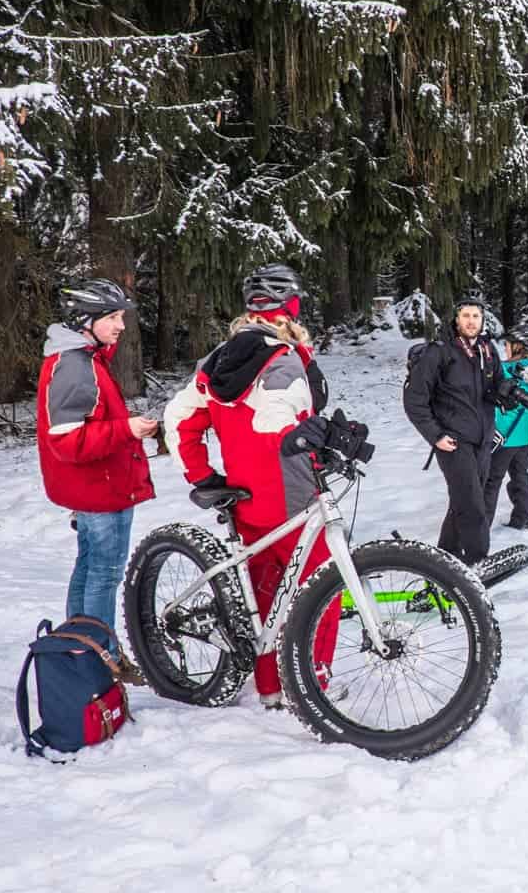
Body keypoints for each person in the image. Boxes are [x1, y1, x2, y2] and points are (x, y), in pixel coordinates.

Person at [163, 264, 339, 709]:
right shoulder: (283, 360)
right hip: (292, 493)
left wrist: (202, 475)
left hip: (245, 497)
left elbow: (179, 419)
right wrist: (315, 435)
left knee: (266, 593)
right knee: (323, 587)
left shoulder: (216, 360)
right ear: (291, 309)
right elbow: (277, 417)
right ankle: (312, 684)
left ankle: (270, 688)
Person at [37, 278, 157, 644]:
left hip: (95, 489)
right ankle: (100, 656)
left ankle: (80, 648)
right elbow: (68, 442)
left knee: (89, 569)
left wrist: (124, 426)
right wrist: (128, 429)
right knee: (103, 575)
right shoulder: (75, 366)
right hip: (101, 492)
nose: (121, 325)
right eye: (113, 317)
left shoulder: (83, 359)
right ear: (84, 321)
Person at [403, 293, 505, 565]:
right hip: (453, 441)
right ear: (456, 319)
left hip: (482, 440)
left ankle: (445, 561)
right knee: (471, 505)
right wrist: (435, 435)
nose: (471, 321)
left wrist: (509, 393)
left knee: (465, 502)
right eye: (466, 316)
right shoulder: (440, 351)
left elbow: (492, 390)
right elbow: (415, 400)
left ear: (482, 320)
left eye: (476, 316)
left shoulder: (487, 350)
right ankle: (478, 561)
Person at [485, 325, 528, 531]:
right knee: (520, 476)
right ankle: (524, 517)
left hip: (504, 435)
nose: (506, 348)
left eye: (508, 344)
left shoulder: (504, 369)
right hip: (523, 435)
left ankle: (480, 526)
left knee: (491, 481)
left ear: (518, 346)